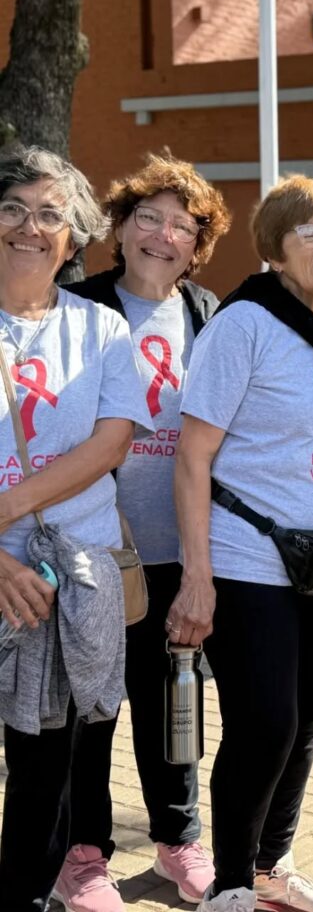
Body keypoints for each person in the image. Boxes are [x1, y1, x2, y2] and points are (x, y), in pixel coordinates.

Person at [174, 175, 313, 912]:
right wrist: (197, 576)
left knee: (305, 717)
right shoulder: (245, 325)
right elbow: (192, 456)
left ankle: (269, 865)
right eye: (311, 232)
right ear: (276, 247)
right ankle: (229, 884)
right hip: (250, 551)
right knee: (265, 723)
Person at [52, 153, 230, 911]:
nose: (163, 236)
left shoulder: (209, 314)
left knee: (173, 702)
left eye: (182, 226)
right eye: (147, 218)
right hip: (92, 551)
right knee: (87, 709)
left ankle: (178, 839)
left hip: (179, 551)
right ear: (119, 229)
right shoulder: (76, 307)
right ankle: (82, 854)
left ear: (199, 245)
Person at [0, 145, 153, 911]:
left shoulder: (102, 330)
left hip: (65, 584)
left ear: (73, 237)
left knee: (43, 767)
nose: (30, 226)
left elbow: (111, 443)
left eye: (50, 214)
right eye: (13, 208)